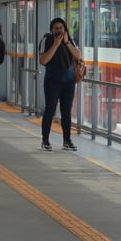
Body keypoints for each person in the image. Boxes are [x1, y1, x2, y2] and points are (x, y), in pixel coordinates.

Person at [36, 16, 82, 151]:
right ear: (51, 30)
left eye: (61, 28)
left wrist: (67, 43)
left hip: (69, 79)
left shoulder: (69, 40)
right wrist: (56, 44)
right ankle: (45, 140)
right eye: (56, 28)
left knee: (66, 111)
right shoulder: (47, 40)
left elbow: (78, 55)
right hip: (53, 80)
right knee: (50, 109)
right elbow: (43, 60)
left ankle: (67, 140)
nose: (59, 31)